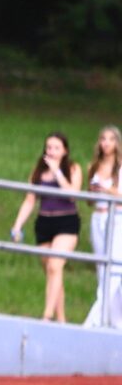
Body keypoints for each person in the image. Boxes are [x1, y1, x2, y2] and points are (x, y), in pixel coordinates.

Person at [10, 132, 83, 323]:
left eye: (56, 148)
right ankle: (61, 320)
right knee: (52, 273)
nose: (51, 151)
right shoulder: (38, 171)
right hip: (44, 223)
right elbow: (30, 199)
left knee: (55, 265)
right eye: (49, 147)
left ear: (65, 151)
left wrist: (57, 171)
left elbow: (72, 195)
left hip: (66, 222)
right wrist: (17, 225)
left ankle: (46, 317)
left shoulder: (73, 168)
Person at [84, 126, 122, 328]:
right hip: (97, 218)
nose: (106, 143)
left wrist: (107, 189)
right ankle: (115, 321)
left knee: (114, 268)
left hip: (115, 219)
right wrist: (94, 190)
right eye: (103, 139)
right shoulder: (94, 166)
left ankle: (93, 321)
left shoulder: (121, 168)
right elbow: (89, 200)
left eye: (110, 139)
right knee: (101, 268)